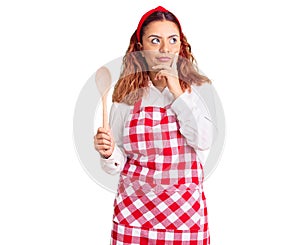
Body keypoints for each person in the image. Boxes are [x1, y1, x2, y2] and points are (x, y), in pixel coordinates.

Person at [94, 6, 214, 244]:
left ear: (181, 45)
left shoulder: (196, 90)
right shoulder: (128, 96)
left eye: (172, 40)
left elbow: (203, 140)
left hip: (184, 216)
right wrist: (108, 152)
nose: (165, 49)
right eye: (155, 40)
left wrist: (176, 89)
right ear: (140, 49)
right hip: (134, 214)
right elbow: (117, 164)